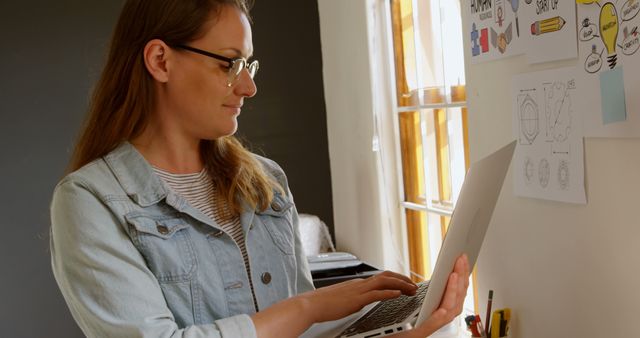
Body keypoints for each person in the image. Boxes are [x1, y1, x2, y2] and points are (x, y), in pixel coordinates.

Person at [49, 0, 470, 337]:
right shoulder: (89, 202)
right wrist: (307, 308)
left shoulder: (264, 182)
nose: (248, 87)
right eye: (229, 63)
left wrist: (413, 324)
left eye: (248, 65)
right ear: (160, 60)